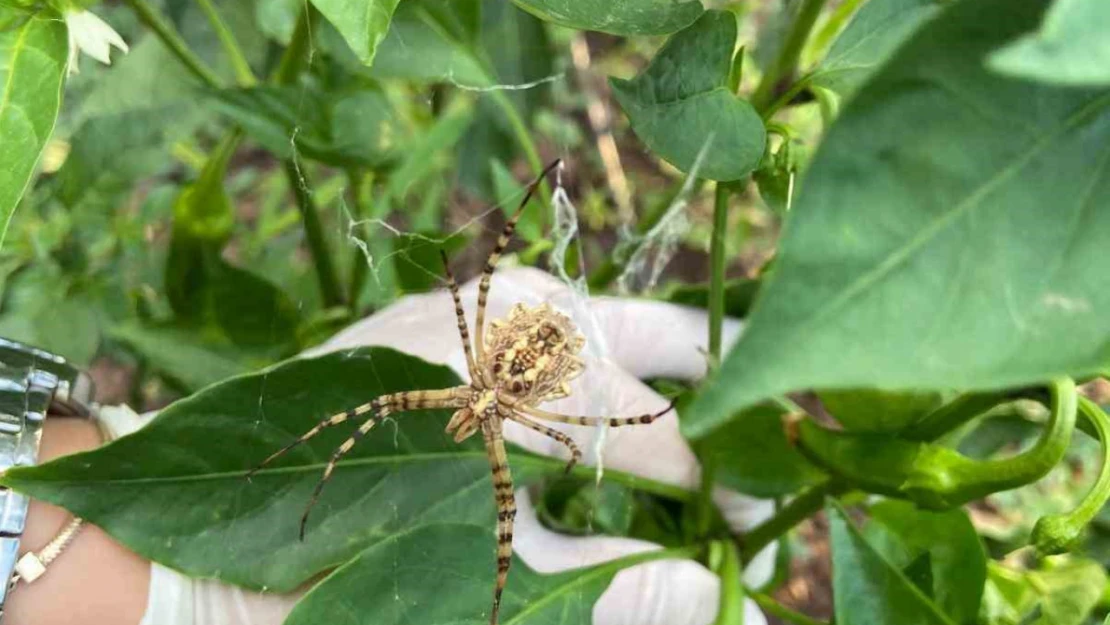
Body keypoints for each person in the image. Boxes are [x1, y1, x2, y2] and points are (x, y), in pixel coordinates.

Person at [8, 267, 774, 625]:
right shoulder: (442, 398)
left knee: (503, 510)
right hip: (483, 392)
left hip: (503, 388)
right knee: (378, 407)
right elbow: (390, 384)